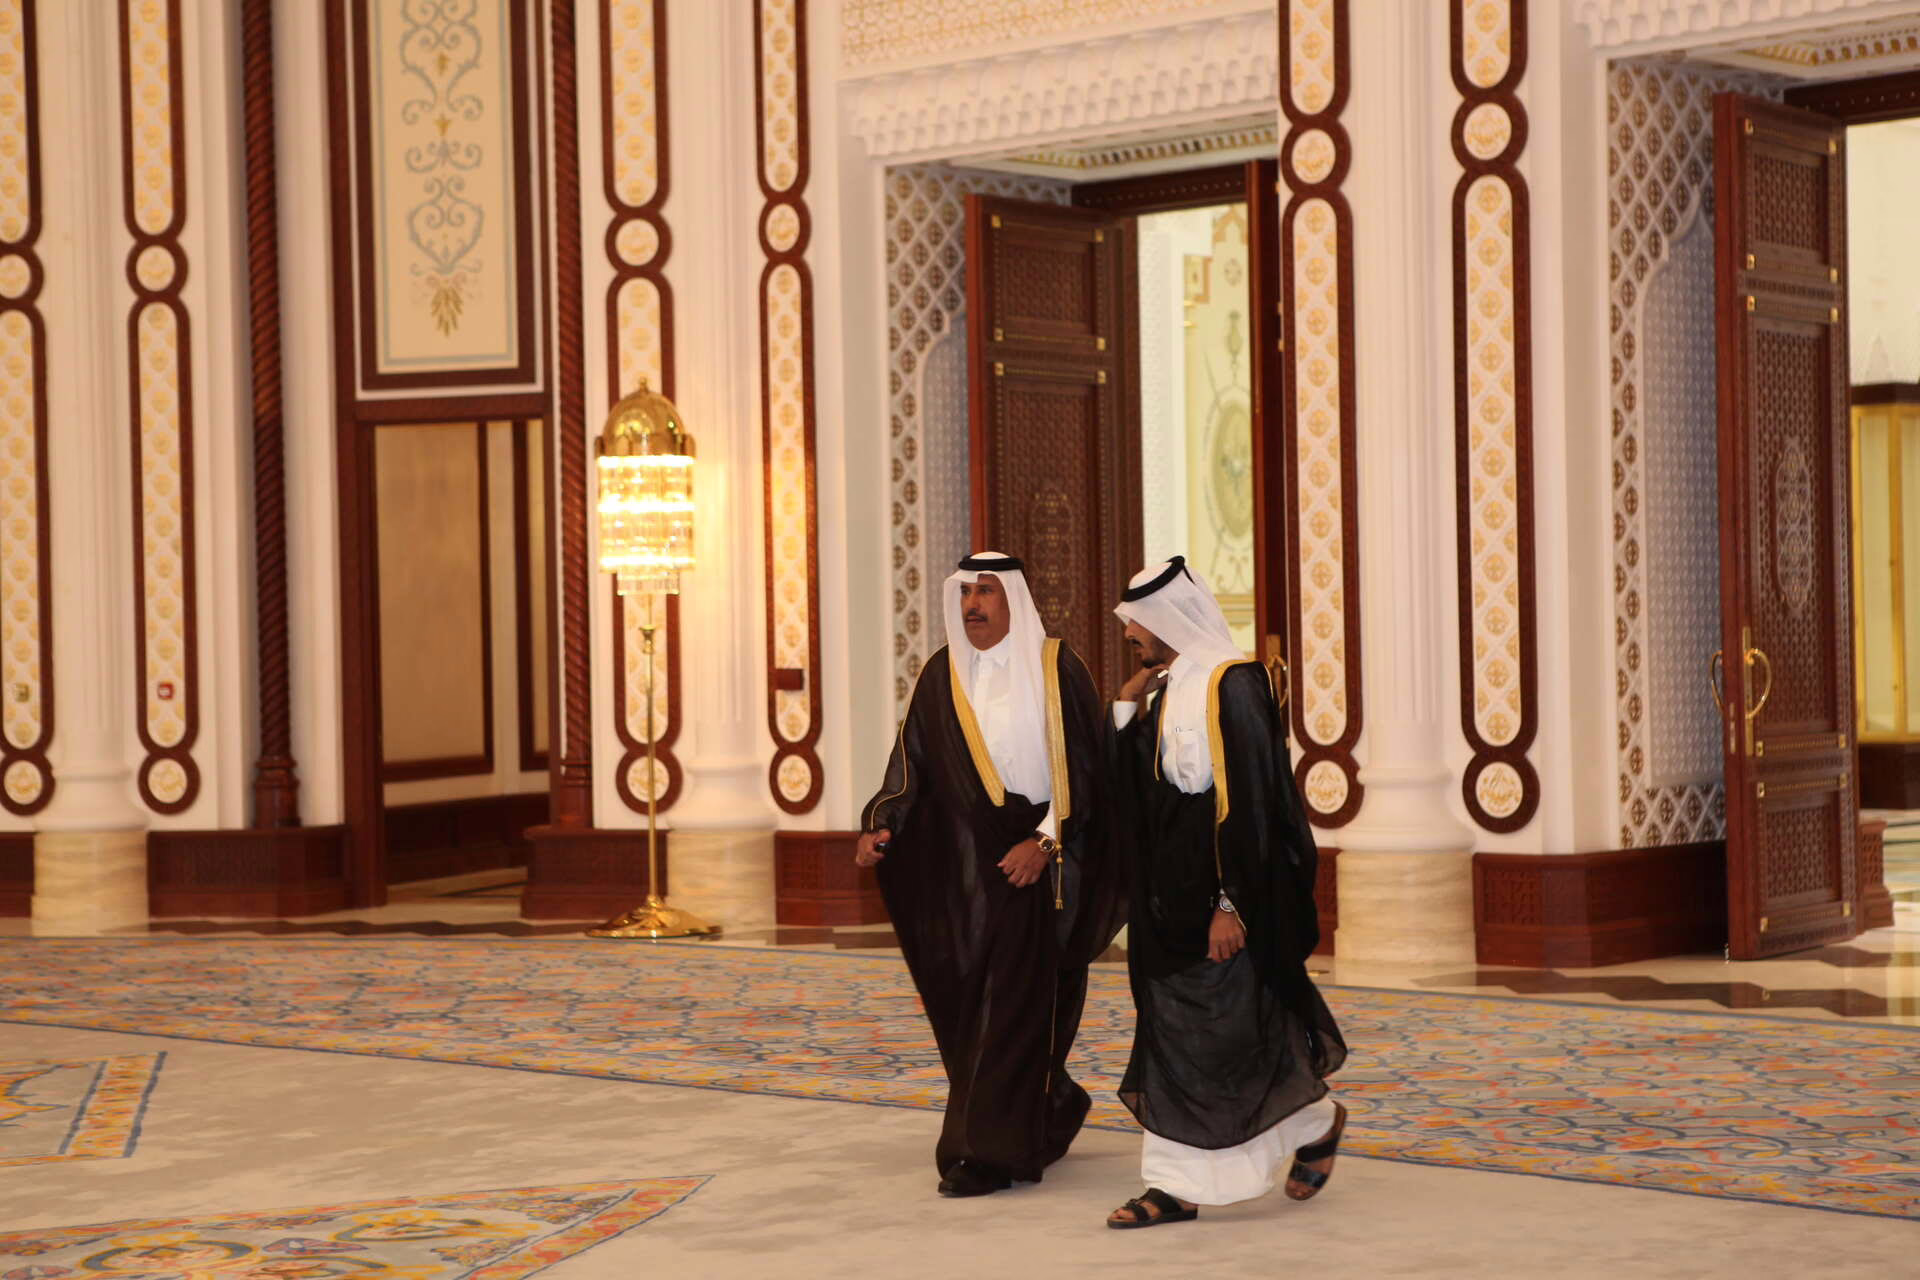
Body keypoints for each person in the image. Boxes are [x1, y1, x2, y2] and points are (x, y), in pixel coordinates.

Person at [856, 552, 1125, 1198]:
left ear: (1014, 599)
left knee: (1014, 1002)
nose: (973, 605)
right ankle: (1049, 1105)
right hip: (970, 866)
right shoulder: (942, 673)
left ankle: (984, 1152)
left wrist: (1045, 842)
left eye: (987, 592)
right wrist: (883, 821)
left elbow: (1089, 772)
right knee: (971, 997)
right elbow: (912, 761)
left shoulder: (1057, 668)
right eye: (966, 593)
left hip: (1042, 859)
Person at [1102, 556, 1348, 1229]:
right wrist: (1125, 709)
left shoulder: (1233, 684)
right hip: (1167, 896)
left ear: (1168, 618)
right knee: (1178, 1029)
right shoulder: (1169, 687)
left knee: (1223, 1031)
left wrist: (1230, 903)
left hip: (1223, 892)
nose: (1130, 633)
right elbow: (1142, 797)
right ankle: (1295, 1131)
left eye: (1137, 622)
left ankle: (1185, 1183)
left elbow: (1257, 803)